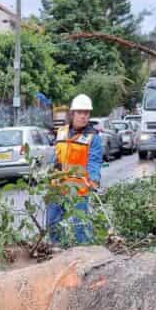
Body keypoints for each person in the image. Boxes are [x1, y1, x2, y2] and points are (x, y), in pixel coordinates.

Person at [46, 94, 103, 245]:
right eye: (80, 112)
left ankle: (87, 255)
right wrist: (48, 174)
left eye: (86, 113)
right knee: (53, 224)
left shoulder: (93, 137)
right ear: (72, 114)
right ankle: (57, 251)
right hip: (57, 187)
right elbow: (56, 157)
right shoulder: (61, 132)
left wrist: (94, 179)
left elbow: (94, 162)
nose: (84, 116)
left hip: (78, 190)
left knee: (80, 226)